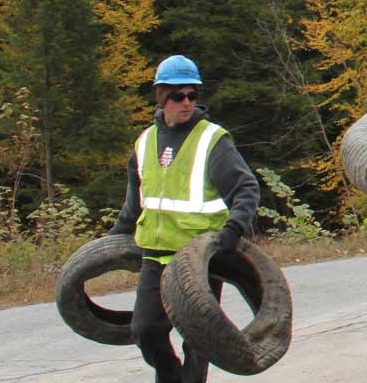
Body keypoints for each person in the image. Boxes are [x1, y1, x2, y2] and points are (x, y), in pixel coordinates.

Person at [107, 55, 260, 383]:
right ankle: (170, 377)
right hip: (156, 256)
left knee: (198, 340)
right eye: (179, 96)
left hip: (200, 258)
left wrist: (233, 230)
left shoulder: (212, 140)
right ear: (162, 96)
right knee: (145, 330)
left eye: (193, 95)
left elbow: (246, 189)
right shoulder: (145, 142)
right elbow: (135, 202)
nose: (187, 102)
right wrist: (112, 240)